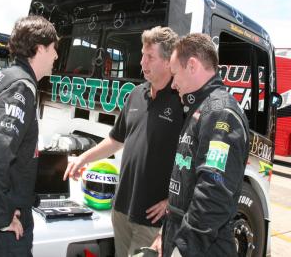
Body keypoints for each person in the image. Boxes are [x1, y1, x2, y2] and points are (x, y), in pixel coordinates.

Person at [64, 26, 184, 257]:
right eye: (142, 55)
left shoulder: (182, 102)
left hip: (152, 219)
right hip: (121, 210)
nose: (142, 63)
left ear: (169, 61)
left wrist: (173, 202)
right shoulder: (136, 94)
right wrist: (82, 158)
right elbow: (115, 140)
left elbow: (192, 162)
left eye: (150, 57)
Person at [0, 15, 58, 257]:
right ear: (39, 48)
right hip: (2, 230)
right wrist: (0, 215)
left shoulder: (4, 77)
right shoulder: (20, 87)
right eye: (54, 49)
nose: (56, 56)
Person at [162, 33, 249, 256]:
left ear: (192, 65)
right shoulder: (198, 109)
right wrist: (165, 234)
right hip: (182, 236)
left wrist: (183, 248)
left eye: (175, 74)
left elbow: (214, 191)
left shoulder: (220, 112)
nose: (173, 84)